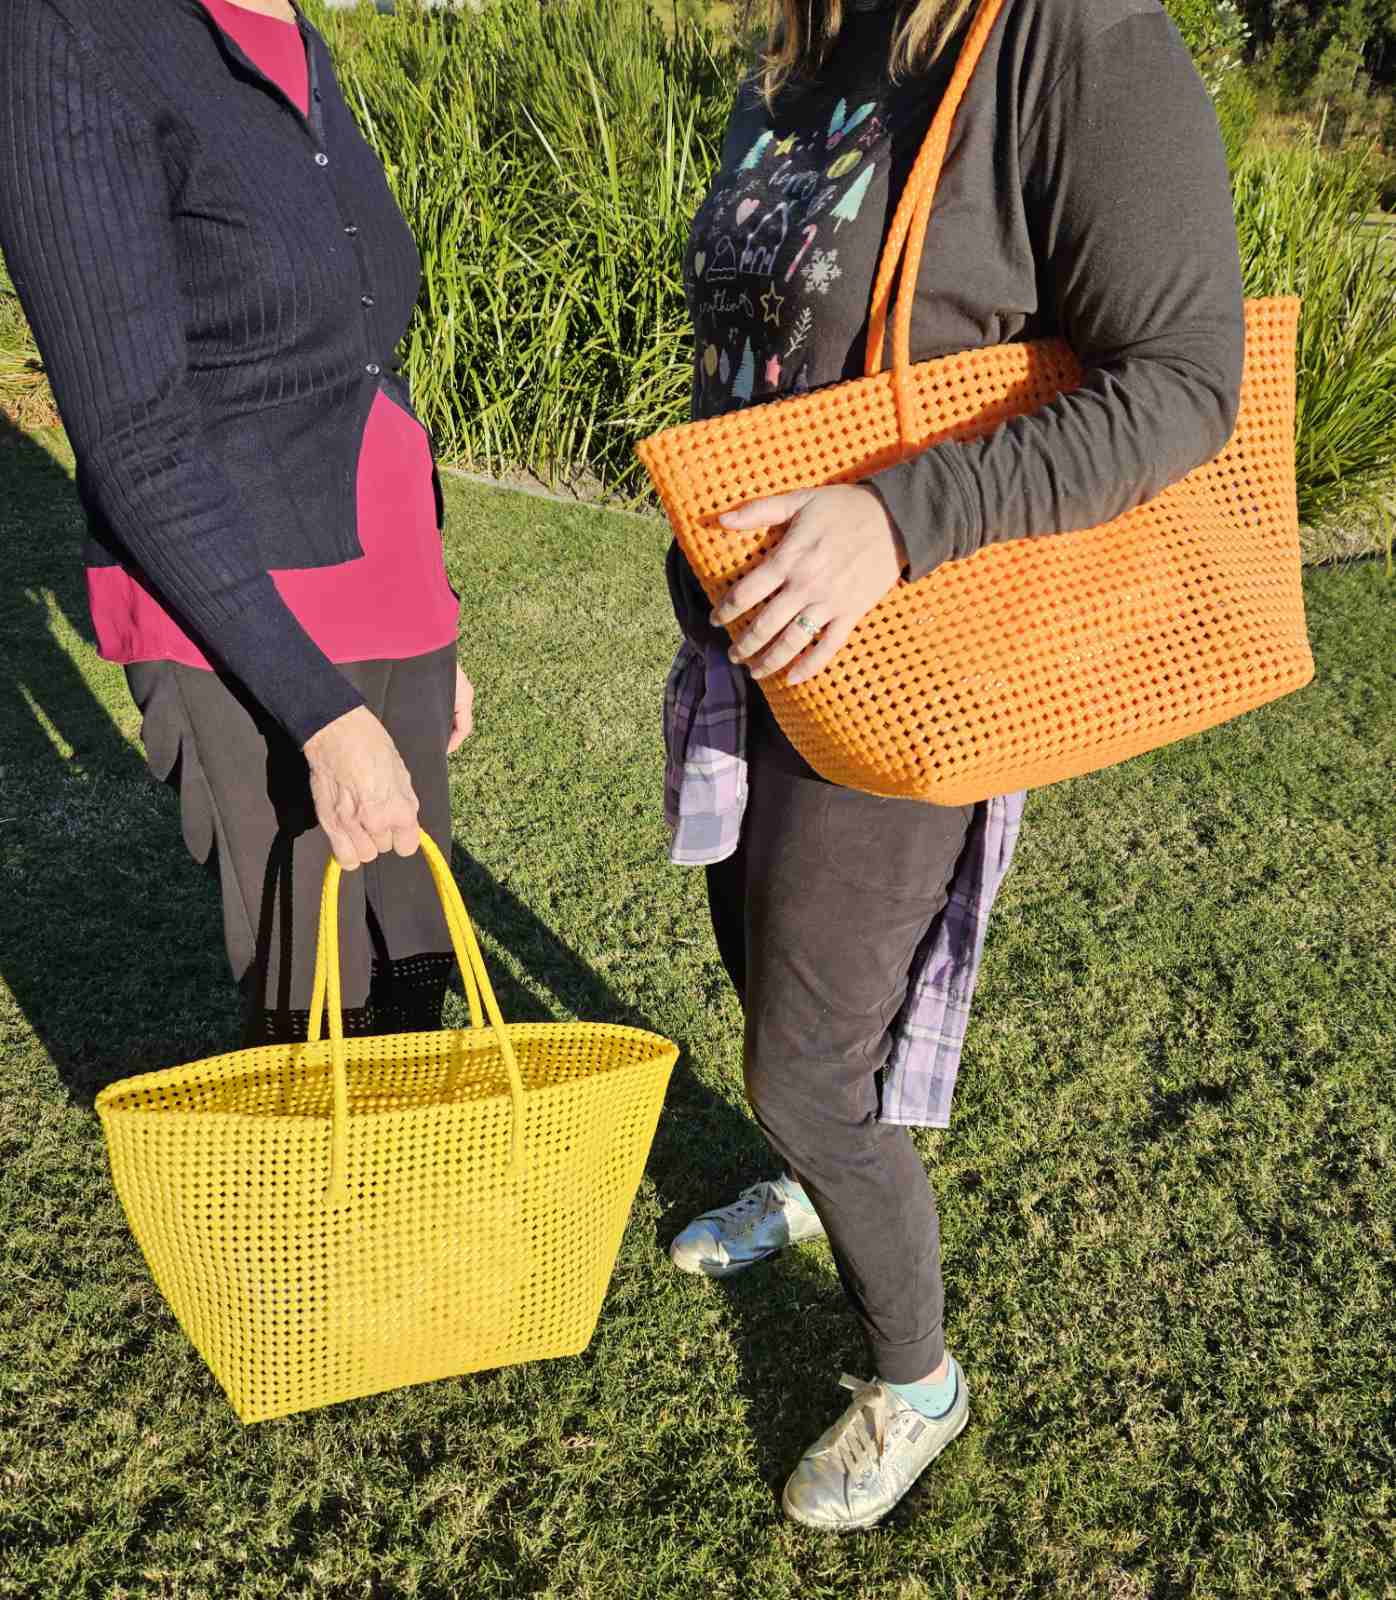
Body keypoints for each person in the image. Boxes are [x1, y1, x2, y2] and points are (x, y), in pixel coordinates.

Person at [663, 0, 1244, 1530]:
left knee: (804, 1068)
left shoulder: (1070, 30)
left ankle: (915, 1379)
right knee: (753, 964)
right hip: (760, 636)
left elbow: (1185, 379)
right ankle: (801, 1197)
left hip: (913, 648)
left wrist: (898, 518)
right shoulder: (808, 44)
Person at [0, 0, 471, 1043]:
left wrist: (433, 613)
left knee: (413, 958)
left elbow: (359, 358)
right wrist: (320, 711)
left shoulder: (293, 31)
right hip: (244, 607)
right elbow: (131, 434)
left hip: (397, 591)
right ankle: (318, 1210)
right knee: (321, 995)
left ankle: (414, 1200)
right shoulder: (74, 29)